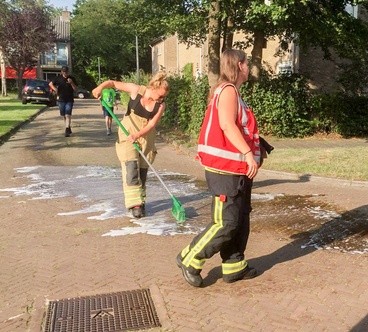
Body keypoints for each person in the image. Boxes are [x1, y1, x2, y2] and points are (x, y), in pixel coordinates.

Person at [176, 49, 261, 287]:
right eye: (247, 63)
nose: (249, 67)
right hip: (226, 170)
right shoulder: (228, 90)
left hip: (237, 170)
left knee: (240, 219)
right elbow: (226, 125)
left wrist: (255, 151)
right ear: (239, 65)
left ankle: (234, 266)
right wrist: (247, 153)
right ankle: (190, 259)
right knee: (226, 222)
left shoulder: (232, 92)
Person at [91, 73, 169, 218]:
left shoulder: (160, 105)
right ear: (152, 88)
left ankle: (141, 199)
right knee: (131, 168)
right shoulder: (136, 90)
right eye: (160, 96)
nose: (161, 99)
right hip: (127, 135)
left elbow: (152, 124)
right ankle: (135, 205)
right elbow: (113, 83)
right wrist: (99, 88)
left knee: (142, 172)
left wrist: (138, 135)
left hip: (146, 137)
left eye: (164, 97)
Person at [50, 66, 77, 137]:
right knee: (64, 115)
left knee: (68, 114)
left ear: (68, 72)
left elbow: (75, 89)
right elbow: (50, 84)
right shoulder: (58, 78)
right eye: (64, 71)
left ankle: (67, 129)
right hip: (61, 99)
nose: (65, 73)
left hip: (69, 99)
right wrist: (55, 89)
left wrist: (71, 83)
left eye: (66, 71)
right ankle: (68, 126)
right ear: (62, 72)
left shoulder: (72, 78)